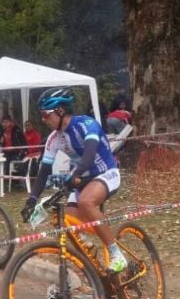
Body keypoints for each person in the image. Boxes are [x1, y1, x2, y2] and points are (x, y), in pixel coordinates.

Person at [20, 87, 127, 273]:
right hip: (81, 180)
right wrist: (31, 200)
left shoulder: (86, 124)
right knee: (66, 222)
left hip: (105, 173)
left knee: (86, 201)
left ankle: (117, 255)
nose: (43, 120)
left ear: (60, 111)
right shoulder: (54, 139)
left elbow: (89, 154)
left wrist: (74, 175)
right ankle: (95, 271)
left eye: (46, 115)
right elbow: (43, 171)